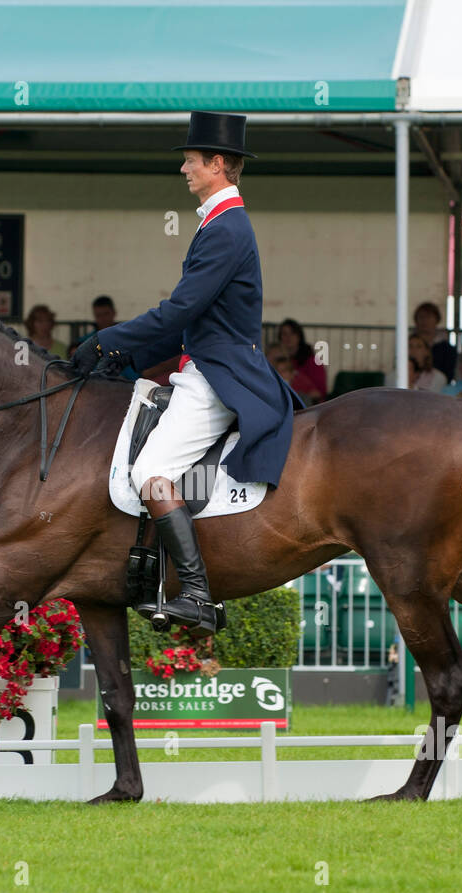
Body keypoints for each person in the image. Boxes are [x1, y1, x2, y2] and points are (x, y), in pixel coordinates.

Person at [71, 111, 300, 635]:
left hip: (218, 375)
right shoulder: (218, 223)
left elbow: (178, 311)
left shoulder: (227, 228)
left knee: (149, 472)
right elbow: (187, 322)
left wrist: (105, 339)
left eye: (191, 160)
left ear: (217, 164)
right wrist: (120, 359)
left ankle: (196, 593)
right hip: (202, 363)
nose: (184, 169)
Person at [278, 318, 327, 404]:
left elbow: (320, 392)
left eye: (292, 333)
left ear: (299, 336)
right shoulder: (277, 359)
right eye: (284, 334)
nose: (288, 337)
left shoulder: (313, 361)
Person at [412, 301, 457, 383]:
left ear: (437, 320)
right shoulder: (407, 345)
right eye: (421, 317)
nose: (424, 321)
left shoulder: (447, 348)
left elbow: (449, 375)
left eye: (428, 317)